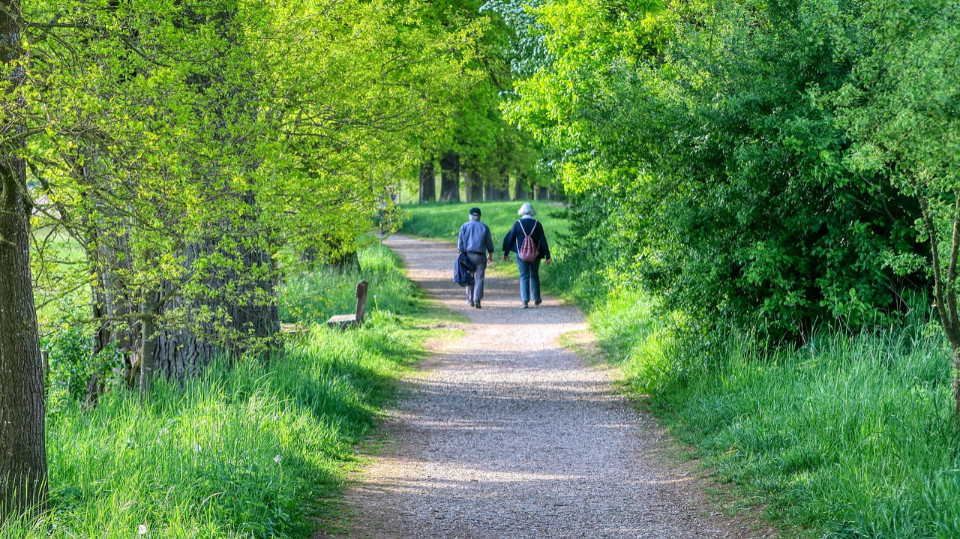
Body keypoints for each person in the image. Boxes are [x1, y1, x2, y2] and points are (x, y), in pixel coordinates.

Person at [502, 202, 551, 308]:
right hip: (535, 255)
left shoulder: (518, 223)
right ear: (532, 212)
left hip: (521, 255)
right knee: (534, 275)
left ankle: (525, 301)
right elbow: (543, 240)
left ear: (522, 211)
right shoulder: (537, 224)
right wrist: (547, 255)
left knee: (524, 276)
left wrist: (506, 253)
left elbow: (510, 239)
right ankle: (537, 299)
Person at [457, 207, 495, 308]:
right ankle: (477, 299)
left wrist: (460, 253)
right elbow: (489, 242)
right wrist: (490, 254)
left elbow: (460, 242)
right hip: (480, 256)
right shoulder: (484, 227)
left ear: (470, 216)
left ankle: (470, 300)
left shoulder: (464, 226)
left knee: (469, 277)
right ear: (479, 216)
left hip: (467, 255)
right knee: (479, 278)